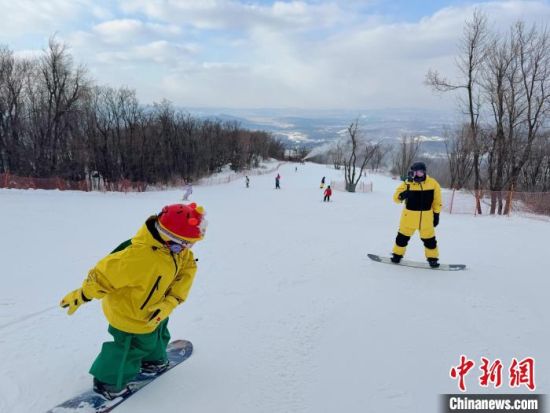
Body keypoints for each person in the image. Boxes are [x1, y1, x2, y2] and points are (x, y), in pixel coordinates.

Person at [60, 203, 207, 399]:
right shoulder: (136, 257)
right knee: (129, 349)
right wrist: (82, 295)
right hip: (129, 315)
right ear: (167, 237)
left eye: (191, 244)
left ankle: (153, 362)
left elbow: (187, 270)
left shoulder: (178, 251)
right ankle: (108, 382)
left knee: (157, 335)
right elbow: (103, 276)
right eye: (184, 244)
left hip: (156, 310)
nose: (188, 249)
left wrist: (170, 301)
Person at [391, 162, 442, 268]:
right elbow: (395, 198)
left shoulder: (433, 183)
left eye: (420, 172)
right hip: (408, 218)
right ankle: (397, 255)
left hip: (426, 220)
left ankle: (432, 259)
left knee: (430, 241)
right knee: (401, 239)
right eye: (415, 172)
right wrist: (403, 195)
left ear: (424, 172)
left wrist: (436, 214)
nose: (418, 174)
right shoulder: (407, 183)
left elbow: (437, 201)